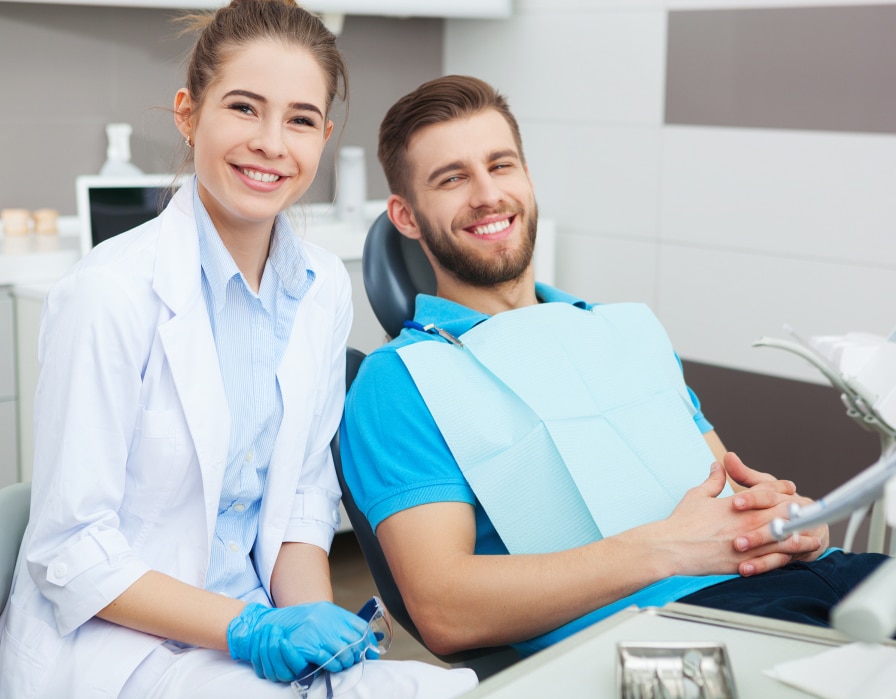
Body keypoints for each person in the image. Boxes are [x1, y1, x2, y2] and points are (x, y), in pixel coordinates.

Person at [0, 7, 478, 698]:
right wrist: (249, 630)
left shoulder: (319, 293)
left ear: (323, 137)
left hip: (248, 630)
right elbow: (70, 551)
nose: (271, 143)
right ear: (188, 114)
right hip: (120, 647)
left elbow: (303, 502)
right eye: (244, 108)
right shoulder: (108, 294)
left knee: (445, 688)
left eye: (300, 119)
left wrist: (310, 631)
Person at [339, 74, 888, 660]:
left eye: (501, 166)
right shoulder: (399, 381)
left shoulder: (627, 330)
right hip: (687, 629)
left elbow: (722, 494)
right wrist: (669, 549)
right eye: (452, 178)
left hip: (828, 578)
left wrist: (793, 524)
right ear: (406, 215)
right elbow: (444, 608)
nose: (486, 195)